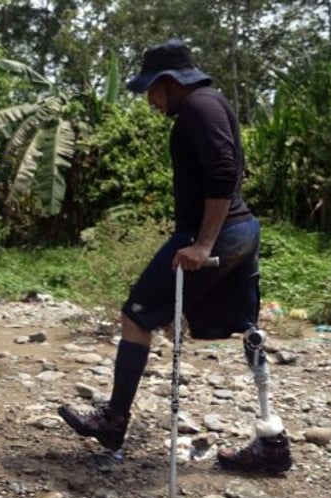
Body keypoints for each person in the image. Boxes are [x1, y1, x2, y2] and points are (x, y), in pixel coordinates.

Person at [58, 39, 292, 473]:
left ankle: (113, 421)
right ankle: (272, 441)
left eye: (151, 90)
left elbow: (223, 171)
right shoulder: (212, 103)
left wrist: (203, 244)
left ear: (168, 82)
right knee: (248, 330)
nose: (149, 100)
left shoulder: (199, 108)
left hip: (216, 234)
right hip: (242, 230)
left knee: (137, 312)